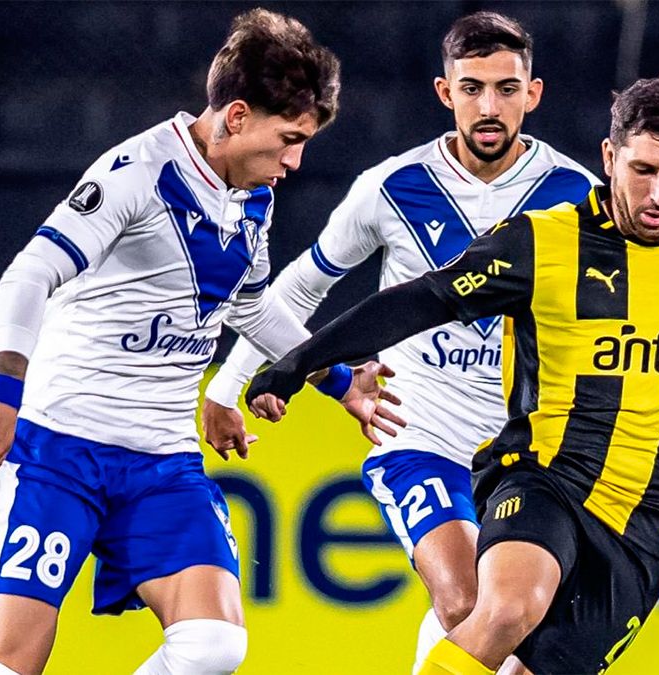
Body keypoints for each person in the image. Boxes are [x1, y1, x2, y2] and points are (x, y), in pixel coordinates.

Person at [245, 76, 659, 675]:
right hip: (544, 479)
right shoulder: (542, 241)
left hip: (649, 521)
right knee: (503, 609)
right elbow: (424, 299)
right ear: (610, 157)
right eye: (643, 170)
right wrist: (300, 362)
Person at [0, 10, 404, 675]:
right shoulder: (136, 173)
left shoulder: (253, 196)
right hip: (59, 451)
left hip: (161, 460)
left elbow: (247, 305)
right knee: (8, 667)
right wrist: (3, 395)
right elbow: (29, 273)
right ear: (236, 117)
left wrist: (335, 377)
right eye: (289, 139)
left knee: (214, 645)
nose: (295, 162)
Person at [201, 13, 597, 670]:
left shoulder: (579, 197)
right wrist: (228, 382)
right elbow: (300, 285)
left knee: (523, 645)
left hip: (533, 454)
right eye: (471, 88)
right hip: (422, 438)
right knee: (467, 603)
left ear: (533, 94)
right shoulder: (393, 187)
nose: (488, 107)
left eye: (506, 89)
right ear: (445, 93)